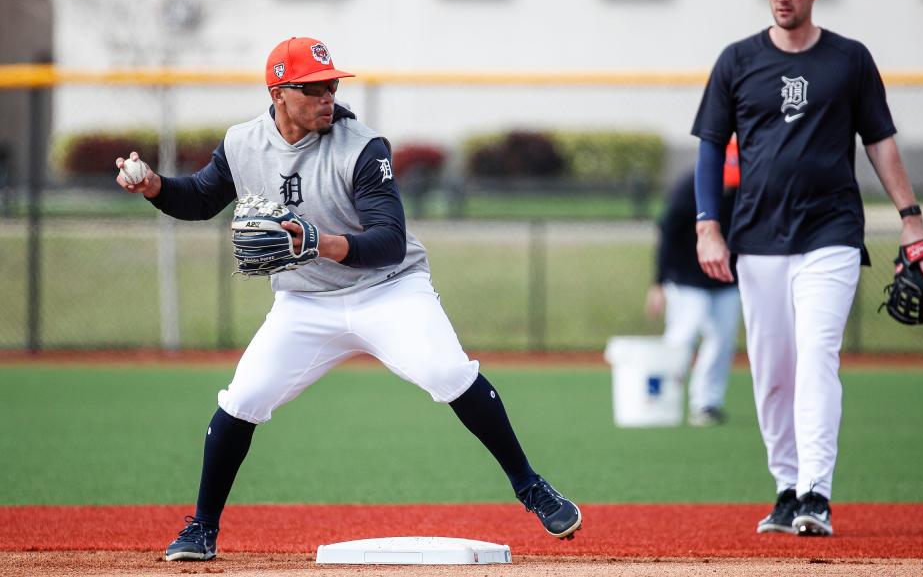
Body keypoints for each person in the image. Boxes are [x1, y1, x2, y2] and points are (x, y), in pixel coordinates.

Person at [115, 36, 581, 562]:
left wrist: (320, 242)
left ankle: (530, 487)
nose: (327, 96)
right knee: (243, 398)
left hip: (387, 290)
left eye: (331, 85)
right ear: (279, 92)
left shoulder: (362, 146)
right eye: (313, 88)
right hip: (305, 303)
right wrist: (156, 186)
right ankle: (201, 529)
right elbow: (199, 198)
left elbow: (388, 240)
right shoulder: (243, 144)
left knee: (448, 372)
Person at [691, 0, 923, 537]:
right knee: (773, 369)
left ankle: (816, 495)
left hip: (830, 232)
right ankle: (786, 488)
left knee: (816, 356)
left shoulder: (848, 60)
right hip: (758, 236)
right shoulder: (737, 61)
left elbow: (880, 141)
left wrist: (910, 217)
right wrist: (708, 226)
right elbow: (708, 146)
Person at [645, 139, 741, 427]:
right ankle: (659, 400)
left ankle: (706, 403)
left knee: (722, 341)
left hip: (725, 279)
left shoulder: (747, 189)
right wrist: (659, 283)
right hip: (686, 278)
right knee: (681, 338)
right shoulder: (689, 188)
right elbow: (667, 236)